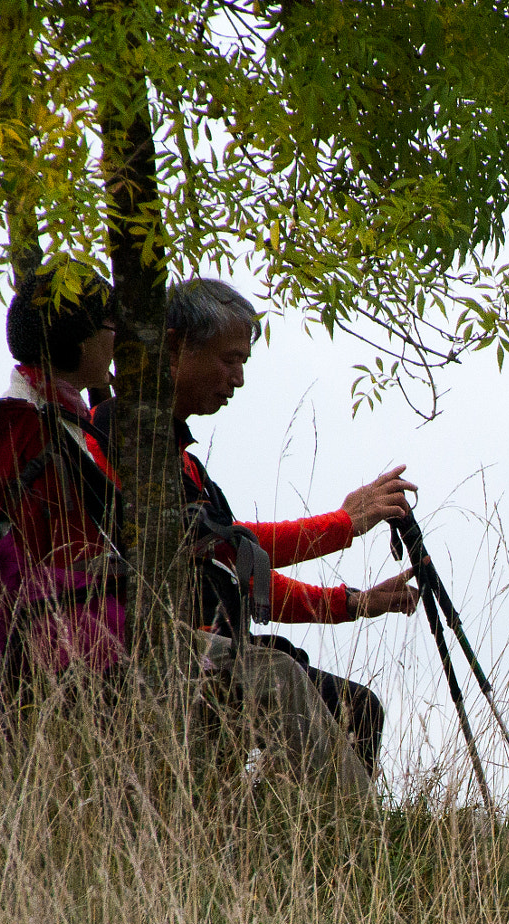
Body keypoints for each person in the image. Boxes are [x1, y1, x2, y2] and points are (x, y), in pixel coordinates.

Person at [92, 277, 422, 782]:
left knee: (359, 710)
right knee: (301, 691)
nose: (239, 378)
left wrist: (351, 603)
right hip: (162, 659)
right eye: (230, 360)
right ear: (176, 346)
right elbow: (229, 545)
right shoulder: (115, 447)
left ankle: (279, 838)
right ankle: (343, 838)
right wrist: (346, 523)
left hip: (218, 656)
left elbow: (244, 572)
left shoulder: (187, 469)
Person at [0, 267, 127, 693]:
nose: (118, 341)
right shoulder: (5, 431)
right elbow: (11, 569)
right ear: (81, 342)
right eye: (112, 327)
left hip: (79, 633)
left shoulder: (54, 422)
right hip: (76, 643)